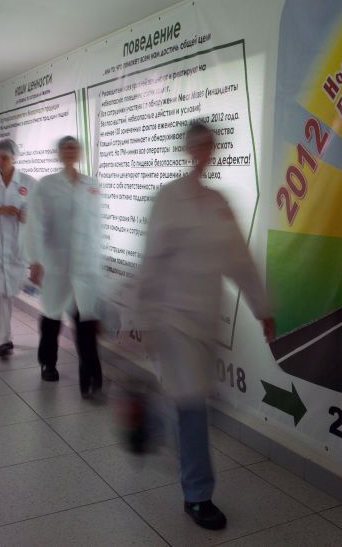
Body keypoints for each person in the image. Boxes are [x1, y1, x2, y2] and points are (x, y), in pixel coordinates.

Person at [136, 121, 275, 531]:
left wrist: (261, 307)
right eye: (196, 144)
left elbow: (240, 260)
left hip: (205, 319)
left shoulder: (218, 202)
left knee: (196, 401)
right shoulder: (168, 198)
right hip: (172, 319)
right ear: (186, 149)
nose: (202, 150)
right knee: (195, 405)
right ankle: (198, 496)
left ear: (213, 150)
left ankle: (155, 424)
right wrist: (141, 319)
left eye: (209, 144)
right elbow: (151, 263)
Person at [24, 136, 104, 396]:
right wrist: (35, 260)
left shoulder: (92, 185)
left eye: (74, 148)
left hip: (84, 265)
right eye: (65, 148)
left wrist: (98, 262)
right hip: (54, 262)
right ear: (59, 154)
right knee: (52, 317)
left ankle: (90, 374)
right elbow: (35, 224)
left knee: (85, 320)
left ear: (79, 153)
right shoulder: (46, 185)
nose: (69, 152)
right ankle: (48, 362)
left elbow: (96, 227)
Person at [0, 137, 37, 358]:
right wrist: (1, 210)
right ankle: (3, 339)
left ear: (14, 157)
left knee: (10, 293)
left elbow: (39, 213)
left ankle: (2, 334)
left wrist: (27, 215)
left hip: (17, 247)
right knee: (0, 294)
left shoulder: (29, 183)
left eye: (4, 157)